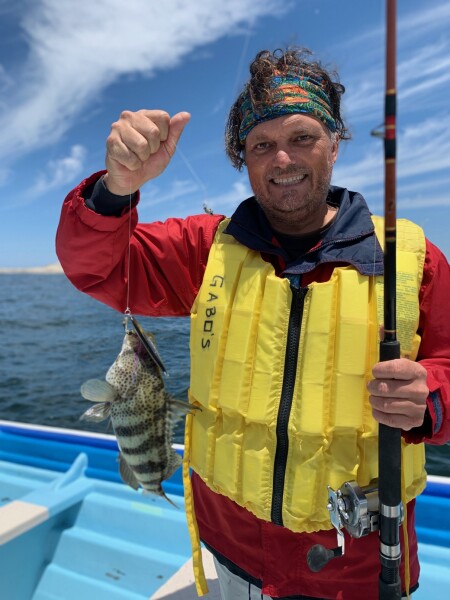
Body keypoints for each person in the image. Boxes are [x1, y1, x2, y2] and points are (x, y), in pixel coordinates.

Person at [56, 48, 450, 600]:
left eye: (303, 137)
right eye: (262, 144)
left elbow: (448, 370)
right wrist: (113, 190)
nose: (282, 158)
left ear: (335, 144)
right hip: (233, 549)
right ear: (243, 157)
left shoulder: (414, 258)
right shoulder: (203, 249)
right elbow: (96, 266)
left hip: (357, 568)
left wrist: (431, 400)